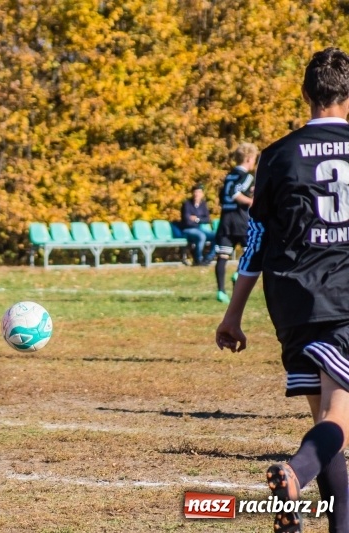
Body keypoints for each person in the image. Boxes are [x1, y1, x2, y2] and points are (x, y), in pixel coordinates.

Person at [216, 47, 349, 533]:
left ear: (306, 93)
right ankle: (294, 474)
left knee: (326, 426)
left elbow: (256, 240)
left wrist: (233, 314)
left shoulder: (277, 155)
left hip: (292, 301)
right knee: (339, 422)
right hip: (345, 298)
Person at [213, 142, 258, 302]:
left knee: (223, 255)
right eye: (254, 159)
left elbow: (222, 196)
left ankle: (221, 291)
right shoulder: (247, 176)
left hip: (225, 219)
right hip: (240, 219)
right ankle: (238, 273)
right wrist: (251, 201)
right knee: (250, 251)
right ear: (248, 158)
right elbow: (235, 193)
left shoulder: (229, 175)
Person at [179, 184, 216, 266]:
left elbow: (207, 219)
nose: (197, 194)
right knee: (201, 236)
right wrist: (200, 220)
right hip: (187, 230)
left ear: (202, 194)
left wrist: (196, 219)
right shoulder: (187, 204)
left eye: (199, 192)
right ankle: (198, 259)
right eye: (195, 192)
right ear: (192, 193)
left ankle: (209, 258)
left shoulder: (203, 204)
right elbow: (187, 221)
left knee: (216, 235)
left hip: (198, 229)